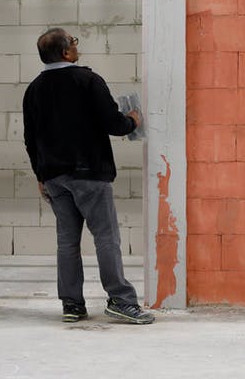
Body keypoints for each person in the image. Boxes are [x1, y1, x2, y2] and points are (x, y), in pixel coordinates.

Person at [23, 27, 154, 324]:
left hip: (54, 178)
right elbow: (114, 124)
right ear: (66, 52)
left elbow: (30, 139)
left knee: (67, 242)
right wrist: (132, 120)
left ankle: (72, 304)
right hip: (90, 175)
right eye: (73, 41)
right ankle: (121, 300)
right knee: (106, 238)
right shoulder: (88, 81)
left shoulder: (33, 89)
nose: (75, 45)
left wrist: (41, 175)